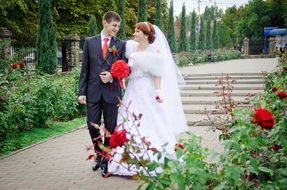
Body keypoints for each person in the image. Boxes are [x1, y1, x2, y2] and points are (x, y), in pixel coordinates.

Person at [108, 22, 187, 176]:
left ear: (146, 35)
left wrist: (158, 92)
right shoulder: (131, 47)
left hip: (146, 90)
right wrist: (122, 73)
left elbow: (156, 74)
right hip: (132, 90)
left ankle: (155, 159)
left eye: (138, 31)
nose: (134, 33)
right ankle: (126, 161)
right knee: (128, 121)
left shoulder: (154, 51)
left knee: (151, 121)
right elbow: (130, 69)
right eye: (135, 30)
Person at [78, 11, 126, 177]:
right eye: (114, 25)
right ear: (105, 22)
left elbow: (125, 68)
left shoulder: (121, 45)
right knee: (92, 125)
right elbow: (85, 70)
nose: (117, 29)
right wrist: (81, 92)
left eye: (118, 26)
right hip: (93, 92)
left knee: (110, 128)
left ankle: (106, 159)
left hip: (112, 93)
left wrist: (113, 76)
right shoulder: (90, 42)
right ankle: (98, 154)